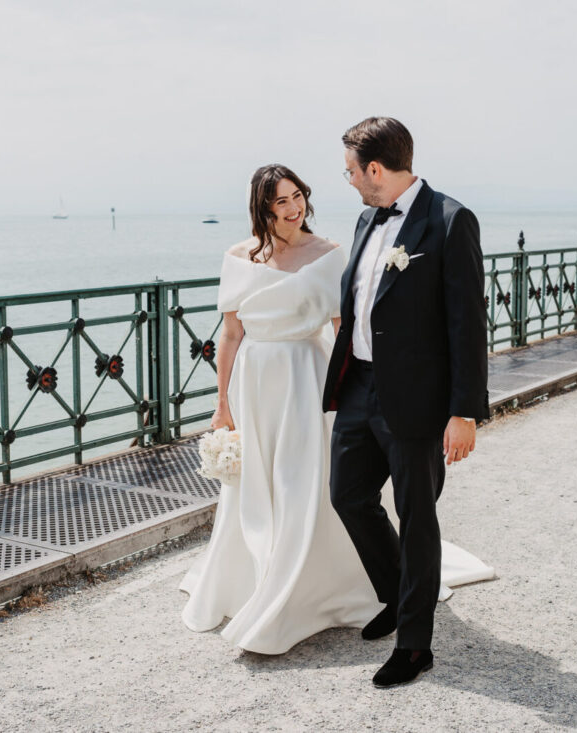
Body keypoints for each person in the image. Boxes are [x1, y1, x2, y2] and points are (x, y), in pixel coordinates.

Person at [179, 164, 493, 658]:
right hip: (255, 382)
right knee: (272, 485)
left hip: (306, 376)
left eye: (297, 195)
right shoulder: (238, 257)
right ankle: (259, 577)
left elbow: (354, 325)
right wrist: (222, 403)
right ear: (262, 208)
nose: (293, 206)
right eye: (280, 201)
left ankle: (318, 590)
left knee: (311, 485)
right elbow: (231, 335)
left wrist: (398, 393)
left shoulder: (329, 254)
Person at [324, 117, 490, 688]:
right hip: (358, 387)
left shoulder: (449, 220)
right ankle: (398, 595)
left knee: (417, 516)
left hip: (419, 401)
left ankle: (416, 645)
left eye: (350, 171)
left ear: (375, 169)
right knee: (347, 496)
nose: (347, 180)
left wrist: (464, 411)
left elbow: (468, 324)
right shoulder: (367, 217)